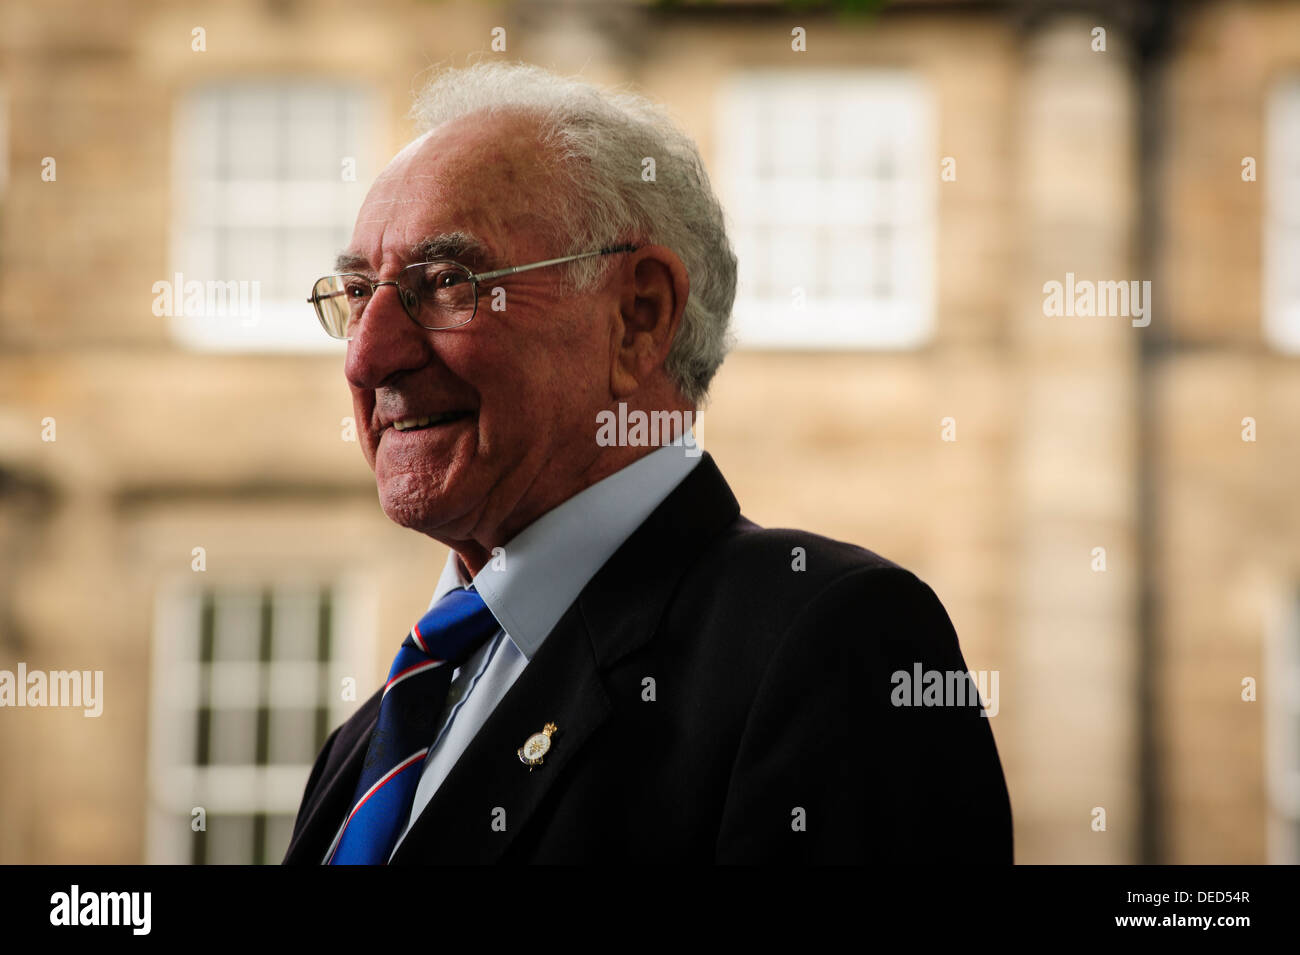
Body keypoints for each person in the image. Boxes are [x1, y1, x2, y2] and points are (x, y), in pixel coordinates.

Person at [284, 61, 1012, 864]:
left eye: (449, 283)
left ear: (639, 315)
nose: (368, 357)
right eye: (357, 294)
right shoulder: (369, 742)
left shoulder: (834, 643)